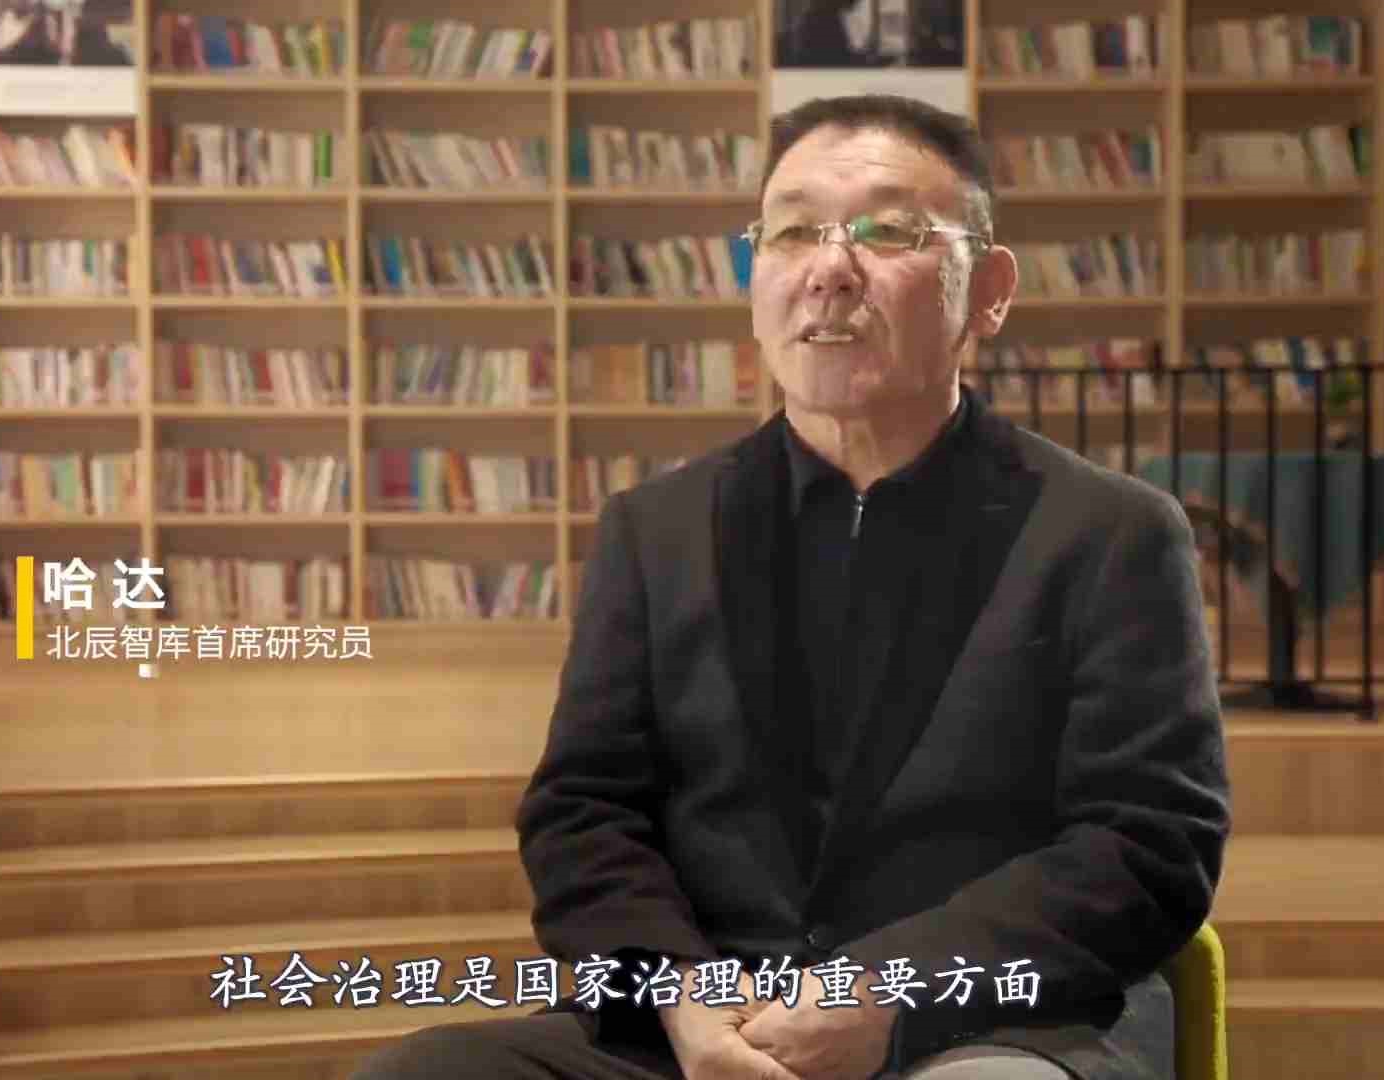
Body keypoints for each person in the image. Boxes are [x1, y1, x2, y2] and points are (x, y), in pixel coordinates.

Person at [351, 94, 1232, 1080]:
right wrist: (683, 994)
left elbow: (1146, 843)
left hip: (987, 1021)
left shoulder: (1109, 533)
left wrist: (883, 992)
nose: (830, 269)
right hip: (709, 1027)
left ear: (987, 291)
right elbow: (584, 813)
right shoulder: (656, 529)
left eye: (887, 233)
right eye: (794, 232)